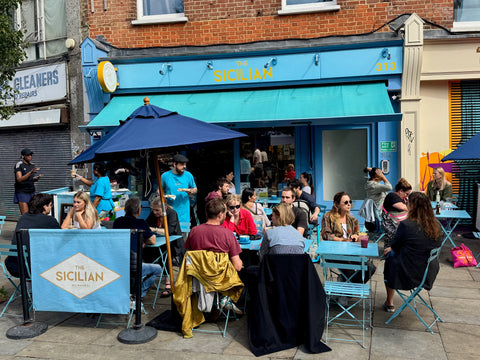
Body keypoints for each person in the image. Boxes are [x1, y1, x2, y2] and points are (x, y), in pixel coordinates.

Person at [383, 191, 442, 313]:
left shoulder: (406, 225)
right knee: (393, 253)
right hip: (429, 271)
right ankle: (389, 302)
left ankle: (390, 302)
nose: (406, 203)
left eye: (408, 202)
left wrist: (391, 249)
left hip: (409, 273)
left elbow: (396, 246)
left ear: (413, 206)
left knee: (389, 258)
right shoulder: (435, 225)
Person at [113, 198, 162, 299]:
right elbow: (153, 241)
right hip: (134, 266)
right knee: (158, 269)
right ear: (139, 210)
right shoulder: (141, 223)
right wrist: (143, 241)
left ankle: (133, 293)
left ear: (125, 210)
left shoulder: (117, 222)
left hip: (118, 264)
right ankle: (138, 294)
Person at [5, 194, 60, 277]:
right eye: (50, 205)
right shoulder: (49, 220)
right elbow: (61, 238)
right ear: (45, 207)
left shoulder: (23, 218)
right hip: (33, 268)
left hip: (13, 266)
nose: (50, 208)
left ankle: (29, 286)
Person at [146, 196, 184, 288]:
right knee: (146, 251)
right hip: (159, 241)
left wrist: (153, 229)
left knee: (167, 252)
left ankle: (168, 281)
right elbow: (146, 225)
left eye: (157, 210)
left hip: (174, 243)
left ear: (164, 208)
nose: (154, 212)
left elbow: (169, 232)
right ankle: (148, 276)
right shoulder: (153, 215)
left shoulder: (172, 214)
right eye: (153, 210)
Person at [161, 154, 197, 225]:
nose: (184, 166)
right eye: (182, 164)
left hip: (184, 214)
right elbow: (159, 190)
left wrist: (190, 191)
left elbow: (195, 189)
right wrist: (164, 196)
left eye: (185, 164)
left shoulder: (188, 175)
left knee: (183, 234)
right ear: (174, 164)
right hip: (170, 211)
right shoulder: (165, 176)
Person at [381, 178, 412, 253]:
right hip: (390, 224)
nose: (407, 196)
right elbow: (405, 208)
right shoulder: (392, 197)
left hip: (397, 223)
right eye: (406, 194)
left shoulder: (401, 198)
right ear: (401, 191)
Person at [14, 148, 41, 214]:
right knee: (25, 215)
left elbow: (28, 179)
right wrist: (30, 172)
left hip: (31, 191)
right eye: (28, 155)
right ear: (23, 156)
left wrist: (35, 179)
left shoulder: (32, 165)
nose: (30, 157)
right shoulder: (19, 165)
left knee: (33, 212)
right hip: (22, 192)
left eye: (31, 155)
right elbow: (19, 179)